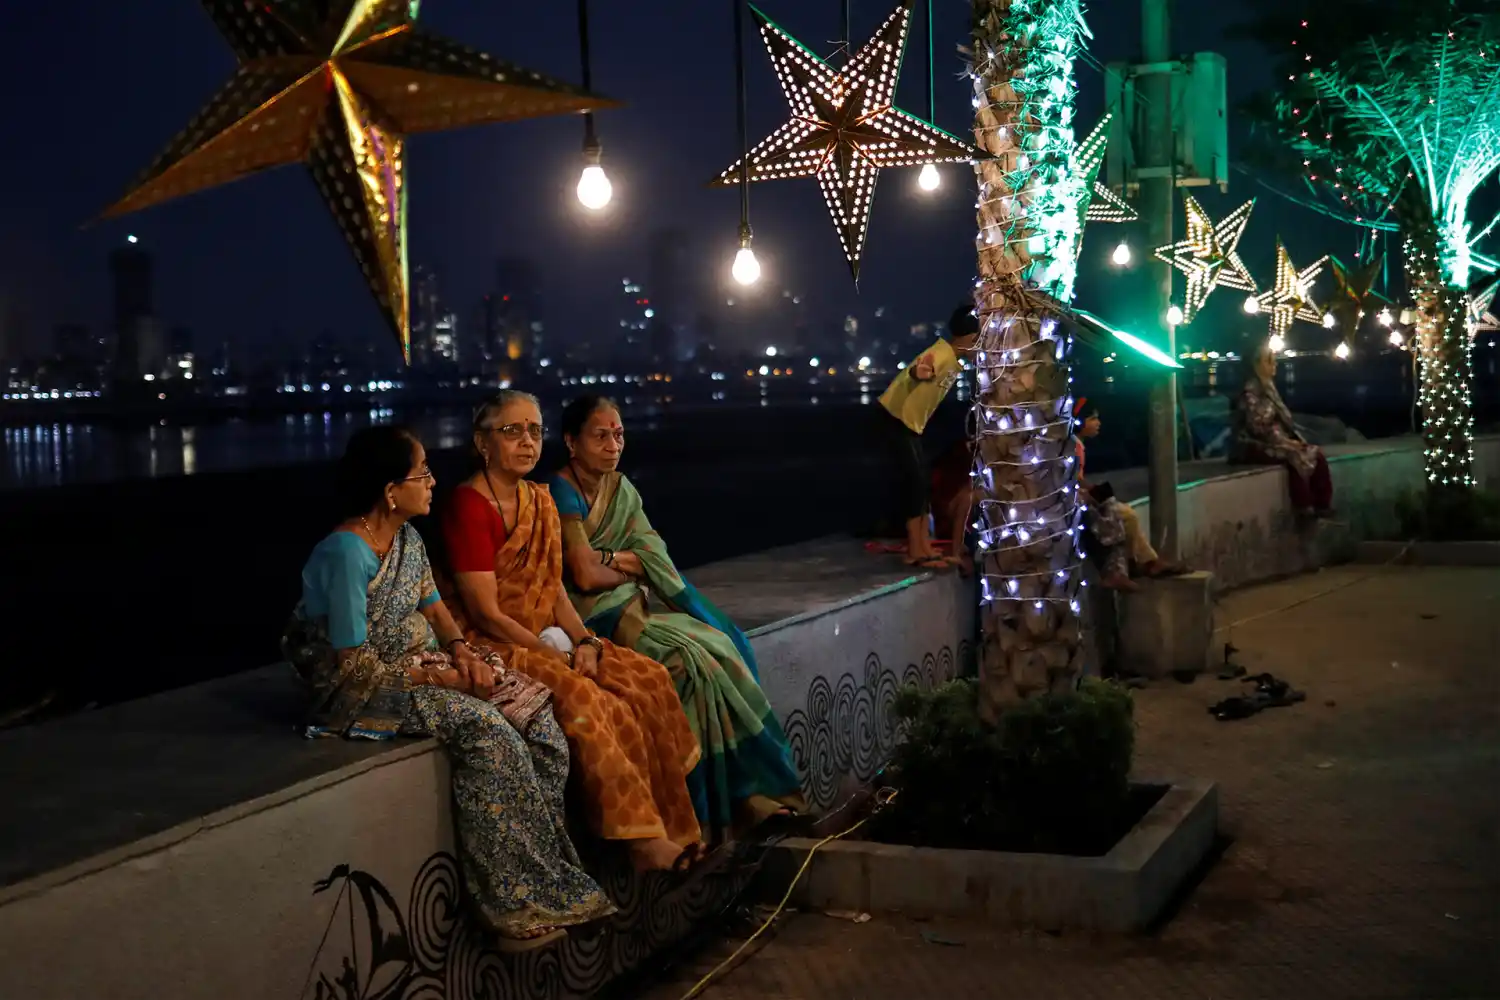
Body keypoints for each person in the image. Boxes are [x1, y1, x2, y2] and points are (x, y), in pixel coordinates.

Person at [281, 425, 615, 953]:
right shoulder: (349, 553)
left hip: (421, 662)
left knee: (533, 711)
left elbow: (436, 609)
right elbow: (350, 663)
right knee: (487, 731)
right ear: (391, 490)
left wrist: (461, 650)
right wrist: (445, 677)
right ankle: (508, 904)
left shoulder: (407, 539)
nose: (433, 482)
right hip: (362, 686)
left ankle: (549, 875)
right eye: (423, 474)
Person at [440, 390, 703, 874]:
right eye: (512, 431)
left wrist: (585, 640)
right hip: (494, 643)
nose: (527, 442)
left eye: (535, 431)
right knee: (589, 701)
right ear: (482, 442)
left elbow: (554, 588)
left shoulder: (537, 499)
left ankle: (679, 827)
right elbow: (486, 611)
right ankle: (640, 843)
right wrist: (553, 655)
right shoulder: (468, 506)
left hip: (548, 636)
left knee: (646, 679)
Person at [549, 396, 807, 843]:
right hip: (592, 621)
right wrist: (629, 562)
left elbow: (650, 555)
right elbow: (584, 575)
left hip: (632, 605)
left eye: (619, 434)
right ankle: (707, 816)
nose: (613, 445)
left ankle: (755, 797)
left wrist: (615, 557)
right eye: (600, 435)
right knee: (692, 664)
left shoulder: (621, 490)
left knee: (723, 647)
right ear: (572, 442)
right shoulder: (560, 490)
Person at [877, 303, 981, 569]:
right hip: (895, 419)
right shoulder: (941, 354)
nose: (980, 349)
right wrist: (918, 372)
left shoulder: (953, 359)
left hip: (910, 425)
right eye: (978, 342)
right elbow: (919, 369)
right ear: (969, 339)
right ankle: (915, 551)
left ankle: (923, 546)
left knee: (922, 483)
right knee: (915, 484)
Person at [1074, 398, 1183, 589]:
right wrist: (1090, 493)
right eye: (1093, 418)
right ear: (1080, 422)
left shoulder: (1077, 445)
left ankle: (1145, 562)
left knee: (1125, 514)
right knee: (1122, 516)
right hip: (1075, 504)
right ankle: (1136, 565)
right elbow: (1073, 478)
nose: (1098, 423)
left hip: (1081, 498)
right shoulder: (1073, 446)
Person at [1229, 345, 1335, 516]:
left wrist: (1289, 440)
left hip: (1274, 439)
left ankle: (1323, 505)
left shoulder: (1269, 388)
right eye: (1269, 361)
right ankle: (1303, 507)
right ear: (1256, 366)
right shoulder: (1250, 392)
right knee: (1292, 455)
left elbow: (1283, 421)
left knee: (1316, 454)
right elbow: (1257, 427)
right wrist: (1285, 442)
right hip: (1249, 445)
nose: (1274, 365)